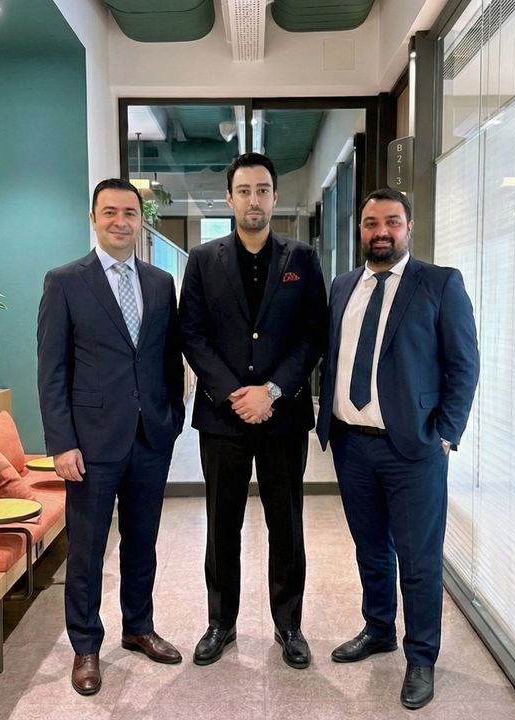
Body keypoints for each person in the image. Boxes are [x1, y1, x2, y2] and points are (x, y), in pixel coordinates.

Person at [316, 188, 479, 710]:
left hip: (414, 450)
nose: (381, 231)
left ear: (409, 227)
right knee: (370, 548)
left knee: (418, 558)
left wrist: (446, 434)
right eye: (371, 223)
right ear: (360, 229)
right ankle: (379, 628)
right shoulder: (344, 286)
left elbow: (464, 365)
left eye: (392, 221)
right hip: (352, 445)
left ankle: (422, 656)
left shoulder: (440, 283)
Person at [178, 152, 328, 669]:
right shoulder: (203, 260)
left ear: (275, 196)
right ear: (229, 198)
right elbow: (191, 334)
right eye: (244, 191)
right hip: (223, 418)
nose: (254, 200)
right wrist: (234, 393)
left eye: (262, 190)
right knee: (222, 524)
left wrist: (273, 390)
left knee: (286, 524)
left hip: (283, 417)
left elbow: (313, 334)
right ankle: (220, 622)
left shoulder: (302, 258)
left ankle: (290, 625)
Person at [37, 178, 186, 696]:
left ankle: (138, 627)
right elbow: (51, 370)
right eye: (110, 212)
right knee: (87, 549)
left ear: (140, 219)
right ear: (93, 218)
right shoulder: (64, 281)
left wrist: (173, 417)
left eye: (129, 212)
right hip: (90, 442)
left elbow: (168, 358)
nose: (120, 221)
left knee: (142, 542)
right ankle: (85, 646)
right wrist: (61, 443)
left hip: (150, 437)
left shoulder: (160, 282)